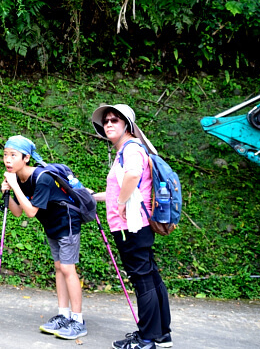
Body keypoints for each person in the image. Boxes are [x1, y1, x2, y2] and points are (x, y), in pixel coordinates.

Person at [90, 104, 172, 349]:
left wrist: (121, 203)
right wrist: (92, 196)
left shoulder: (131, 148)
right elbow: (121, 189)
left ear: (127, 125)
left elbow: (133, 176)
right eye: (106, 121)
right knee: (150, 275)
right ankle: (161, 334)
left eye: (115, 119)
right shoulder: (127, 150)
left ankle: (147, 338)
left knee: (141, 278)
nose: (108, 124)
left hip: (131, 225)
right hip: (137, 224)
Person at [0, 135, 87, 340]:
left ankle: (78, 320)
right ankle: (63, 315)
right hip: (51, 225)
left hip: (67, 221)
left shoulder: (42, 178)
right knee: (59, 268)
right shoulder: (17, 179)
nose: (8, 160)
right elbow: (17, 212)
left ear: (26, 158)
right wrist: (6, 192)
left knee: (68, 268)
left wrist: (14, 186)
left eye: (13, 155)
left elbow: (31, 212)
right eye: (5, 155)